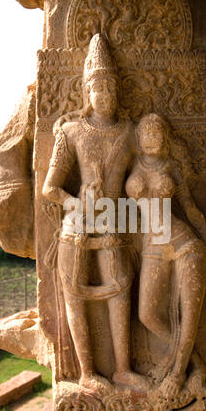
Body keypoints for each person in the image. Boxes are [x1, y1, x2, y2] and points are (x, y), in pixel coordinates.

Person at [42, 34, 148, 392]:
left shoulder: (131, 132)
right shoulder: (71, 131)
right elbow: (50, 188)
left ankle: (122, 368)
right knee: (74, 293)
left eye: (110, 87)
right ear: (86, 93)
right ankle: (87, 371)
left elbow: (148, 167)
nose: (105, 94)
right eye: (97, 88)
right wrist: (76, 202)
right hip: (77, 224)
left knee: (121, 292)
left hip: (115, 220)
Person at [126, 113, 206, 395]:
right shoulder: (131, 165)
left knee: (189, 314)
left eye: (157, 132)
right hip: (153, 245)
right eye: (146, 133)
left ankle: (177, 373)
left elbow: (190, 209)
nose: (152, 137)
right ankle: (196, 365)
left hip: (184, 243)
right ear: (138, 139)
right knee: (147, 315)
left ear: (164, 138)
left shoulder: (172, 167)